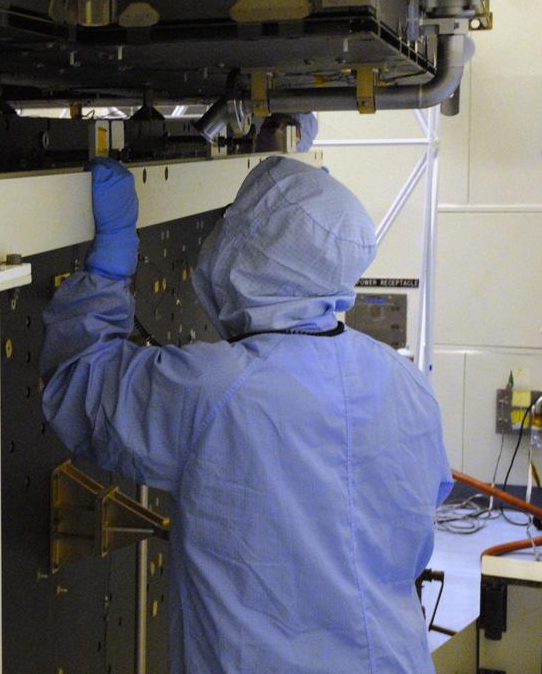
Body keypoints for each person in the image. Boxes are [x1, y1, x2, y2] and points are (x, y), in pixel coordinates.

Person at [41, 155, 451, 674]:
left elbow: (80, 388)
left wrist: (108, 269)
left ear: (255, 249)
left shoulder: (217, 389)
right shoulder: (409, 386)